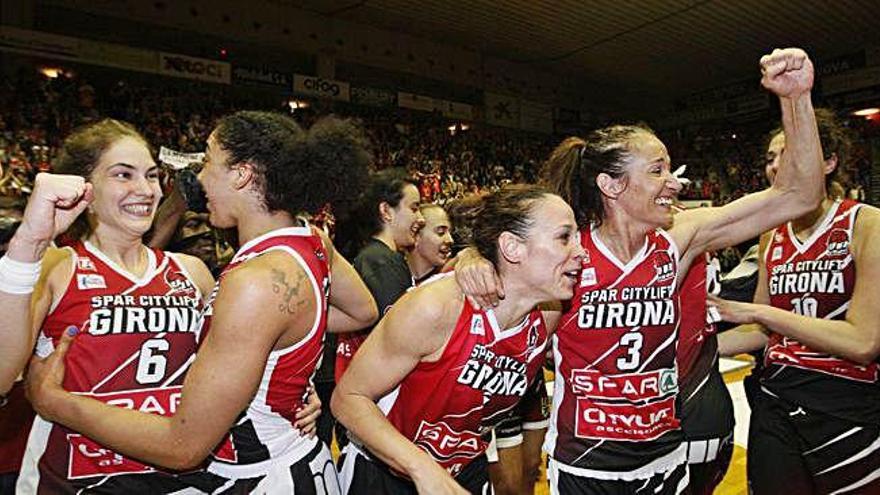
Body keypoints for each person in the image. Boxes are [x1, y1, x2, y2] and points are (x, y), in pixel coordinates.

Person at [455, 48, 825, 493]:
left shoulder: (680, 238)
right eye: (658, 170)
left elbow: (799, 195)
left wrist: (796, 99)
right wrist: (472, 257)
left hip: (664, 459)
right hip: (587, 466)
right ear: (611, 185)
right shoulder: (567, 250)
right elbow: (501, 271)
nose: (675, 182)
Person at [25, 112, 378, 493]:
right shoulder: (312, 241)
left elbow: (182, 448)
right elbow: (360, 311)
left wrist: (55, 401)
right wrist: (280, 369)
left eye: (208, 161)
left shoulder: (255, 282)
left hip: (261, 476)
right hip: (300, 460)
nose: (199, 178)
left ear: (241, 174)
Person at [0, 119, 214, 493]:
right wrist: (31, 243)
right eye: (123, 175)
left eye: (151, 175)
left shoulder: (192, 272)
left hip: (180, 480)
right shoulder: (57, 266)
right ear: (85, 188)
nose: (145, 189)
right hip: (76, 479)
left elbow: (237, 362)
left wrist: (293, 398)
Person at [332, 184, 585, 495]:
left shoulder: (547, 315)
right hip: (388, 469)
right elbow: (348, 399)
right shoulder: (435, 307)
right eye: (564, 238)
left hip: (463, 468)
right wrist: (421, 468)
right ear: (512, 246)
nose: (581, 252)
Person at [713, 109, 880, 494]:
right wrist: (686, 349)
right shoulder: (772, 235)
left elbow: (863, 341)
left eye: (788, 153)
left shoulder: (866, 223)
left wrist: (758, 311)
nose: (775, 166)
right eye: (770, 158)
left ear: (829, 161)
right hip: (777, 395)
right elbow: (760, 330)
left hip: (846, 399)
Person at [335, 168, 424, 383]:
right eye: (414, 208)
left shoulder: (380, 257)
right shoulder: (380, 262)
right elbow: (400, 339)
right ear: (386, 211)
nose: (420, 218)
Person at [406, 203, 453, 284]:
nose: (450, 240)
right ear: (415, 236)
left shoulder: (453, 278)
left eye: (450, 232)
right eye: (441, 232)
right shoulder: (394, 277)